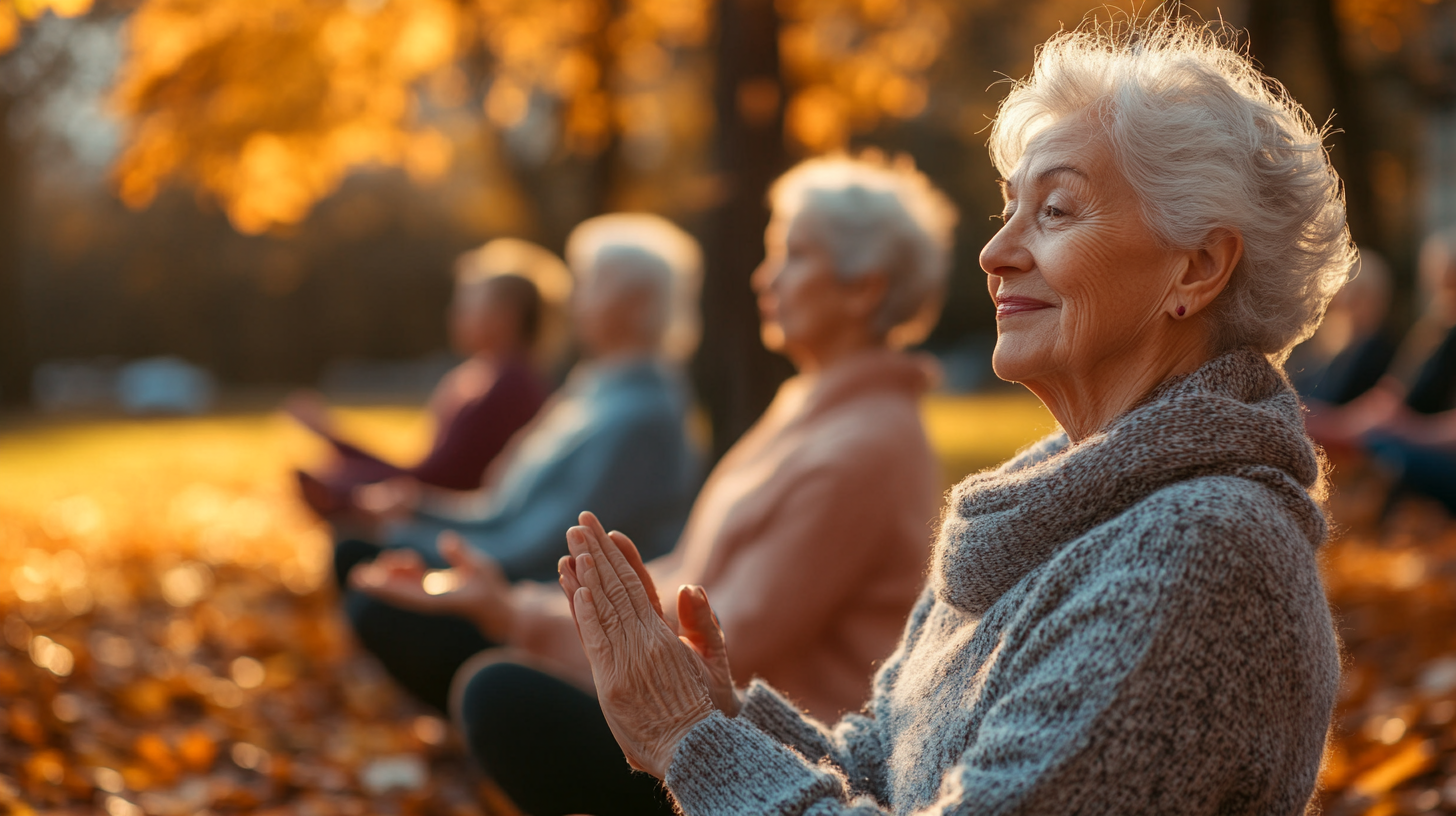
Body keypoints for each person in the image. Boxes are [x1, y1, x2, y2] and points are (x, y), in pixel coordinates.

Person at [557, 17, 1348, 815]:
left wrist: (695, 742)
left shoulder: (1198, 553)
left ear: (1199, 267)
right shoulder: (1034, 497)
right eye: (1010, 208)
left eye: (1057, 211)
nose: (995, 251)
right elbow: (885, 765)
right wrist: (725, 714)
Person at [352, 154, 958, 816]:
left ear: (863, 288)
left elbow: (736, 642)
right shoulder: (811, 413)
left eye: (794, 255)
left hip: (783, 766)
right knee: (487, 679)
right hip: (721, 722)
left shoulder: (867, 446)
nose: (765, 277)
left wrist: (517, 617)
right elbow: (690, 576)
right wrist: (516, 607)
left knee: (500, 698)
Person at [335, 214, 704, 713]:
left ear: (634, 304)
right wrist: (416, 510)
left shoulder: (645, 416)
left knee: (372, 589)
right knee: (362, 558)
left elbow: (543, 549)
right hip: (520, 584)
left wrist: (409, 539)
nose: (573, 299)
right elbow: (501, 511)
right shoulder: (592, 389)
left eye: (590, 282)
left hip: (560, 623)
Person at [288, 239, 564, 518]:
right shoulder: (486, 378)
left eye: (466, 305)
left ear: (505, 316)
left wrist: (340, 474)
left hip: (455, 527)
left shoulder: (507, 386)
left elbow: (437, 481)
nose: (453, 314)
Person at [1290, 249, 1397, 406]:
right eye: (1346, 290)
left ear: (1379, 300)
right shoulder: (1324, 342)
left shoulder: (1381, 353)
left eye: (1360, 294)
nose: (1348, 301)